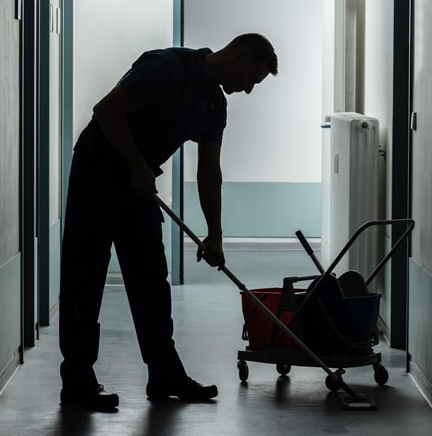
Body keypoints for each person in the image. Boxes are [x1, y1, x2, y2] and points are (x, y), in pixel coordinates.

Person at [59, 33, 278, 409]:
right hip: (98, 169)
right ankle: (77, 381)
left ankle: (164, 374)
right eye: (251, 80)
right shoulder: (166, 67)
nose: (248, 90)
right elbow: (106, 110)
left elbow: (210, 172)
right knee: (85, 275)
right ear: (238, 57)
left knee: (150, 278)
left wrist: (215, 235)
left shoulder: (214, 105)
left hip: (137, 181)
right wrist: (137, 165)